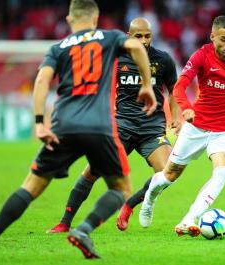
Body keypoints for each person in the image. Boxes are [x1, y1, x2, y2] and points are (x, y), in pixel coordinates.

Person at [0, 0, 156, 262]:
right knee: (121, 189)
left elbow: (42, 80)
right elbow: (135, 46)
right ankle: (84, 229)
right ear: (96, 18)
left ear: (69, 19)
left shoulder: (58, 47)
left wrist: (40, 122)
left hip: (63, 127)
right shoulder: (110, 37)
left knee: (30, 187)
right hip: (99, 127)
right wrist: (146, 84)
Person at [139, 15, 225, 237]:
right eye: (223, 39)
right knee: (169, 175)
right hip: (197, 127)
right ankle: (149, 198)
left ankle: (189, 219)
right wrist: (186, 108)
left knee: (223, 171)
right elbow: (179, 86)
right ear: (213, 36)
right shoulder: (202, 56)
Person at [47, 17, 181, 234]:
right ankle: (64, 222)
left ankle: (130, 205)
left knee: (168, 172)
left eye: (147, 36)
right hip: (122, 125)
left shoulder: (163, 59)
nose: (144, 40)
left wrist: (175, 114)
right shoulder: (116, 59)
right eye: (139, 36)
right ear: (130, 36)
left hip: (152, 127)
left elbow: (174, 88)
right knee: (92, 170)